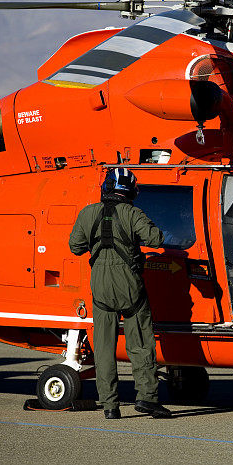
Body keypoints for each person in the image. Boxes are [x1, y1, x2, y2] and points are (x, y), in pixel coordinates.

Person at [68, 167, 172, 420]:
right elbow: (156, 239)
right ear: (131, 191)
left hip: (101, 287)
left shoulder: (88, 213)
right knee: (140, 344)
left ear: (106, 187)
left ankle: (110, 406)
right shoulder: (133, 213)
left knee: (104, 348)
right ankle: (147, 398)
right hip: (129, 285)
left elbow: (75, 246)